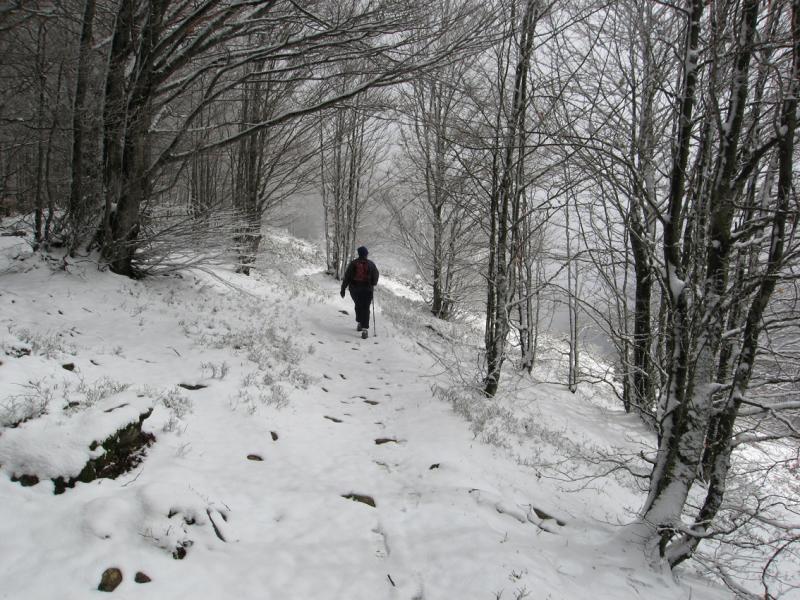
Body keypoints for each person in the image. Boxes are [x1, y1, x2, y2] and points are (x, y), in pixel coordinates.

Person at [340, 246, 379, 338]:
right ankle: (365, 329)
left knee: (358, 306)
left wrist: (343, 289)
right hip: (367, 289)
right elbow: (376, 276)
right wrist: (373, 283)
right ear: (366, 254)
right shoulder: (371, 264)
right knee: (366, 308)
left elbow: (347, 277)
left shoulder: (353, 263)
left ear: (359, 253)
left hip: (355, 289)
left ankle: (360, 323)